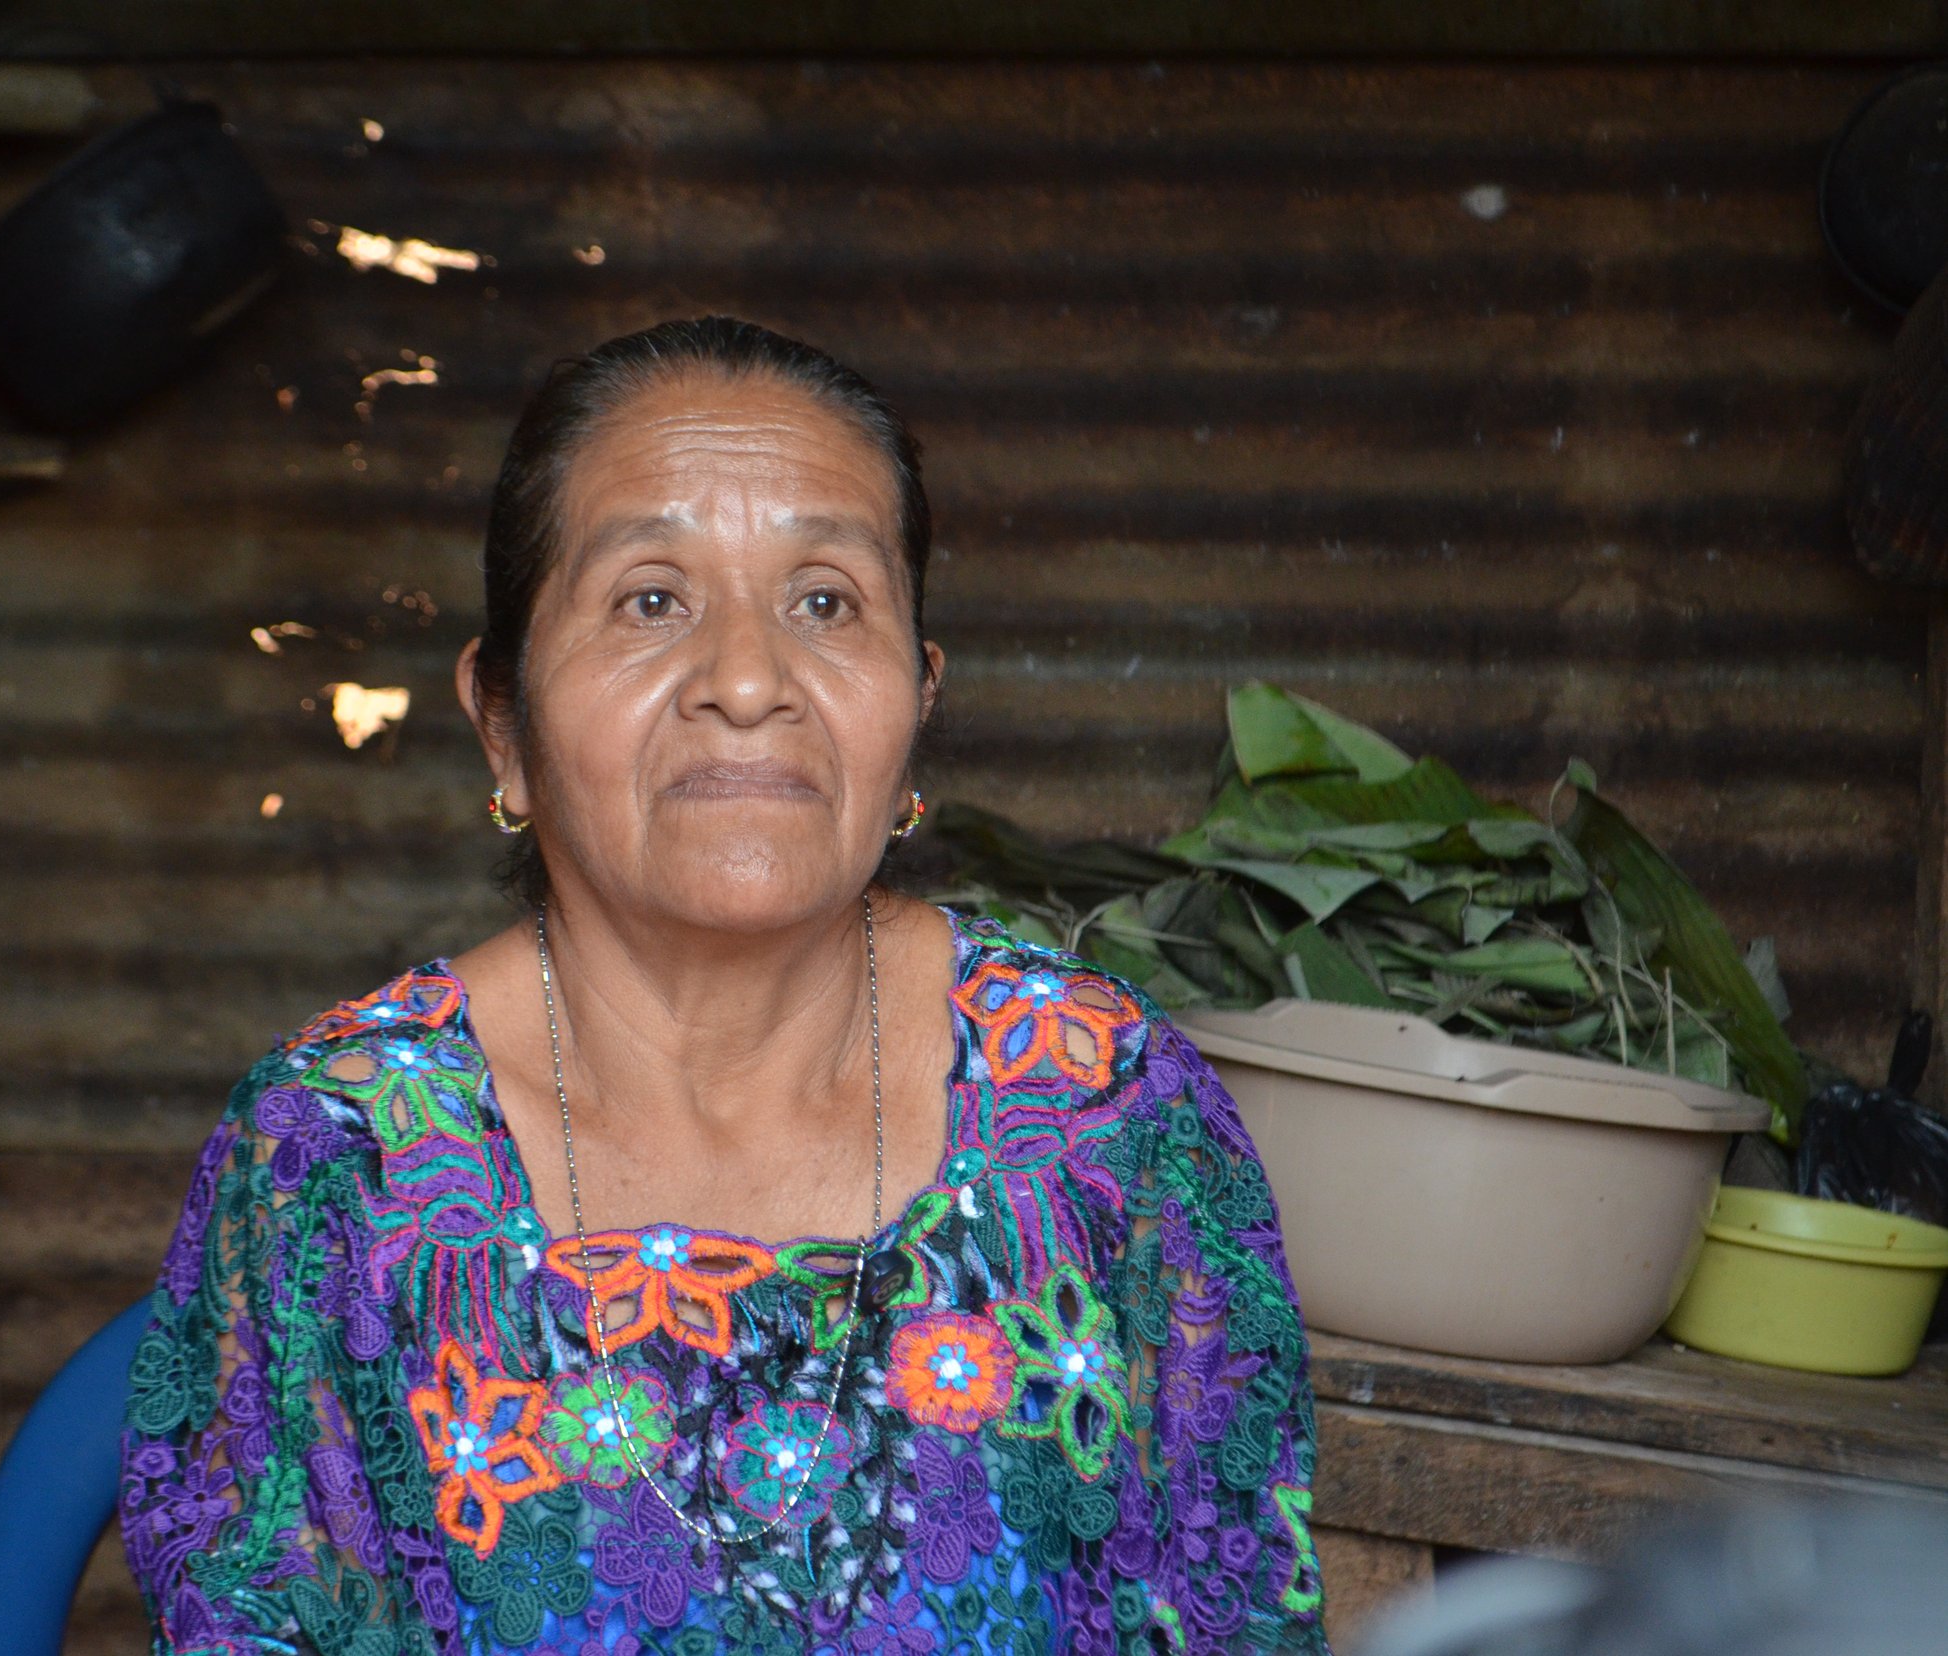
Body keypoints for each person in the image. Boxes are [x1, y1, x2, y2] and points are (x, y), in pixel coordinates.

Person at [118, 316, 1330, 1654]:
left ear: (917, 705)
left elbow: (1233, 1618)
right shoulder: (336, 1161)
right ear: (501, 723)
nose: (749, 681)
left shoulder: (1103, 1108)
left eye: (826, 601)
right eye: (651, 599)